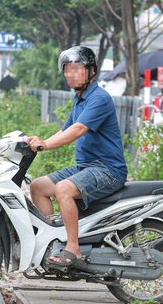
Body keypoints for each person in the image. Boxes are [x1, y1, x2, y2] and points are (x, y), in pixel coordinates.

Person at [26, 46, 128, 267]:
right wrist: (39, 142)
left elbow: (78, 130)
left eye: (76, 69)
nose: (70, 74)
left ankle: (73, 248)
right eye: (67, 70)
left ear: (91, 70)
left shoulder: (99, 98)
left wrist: (45, 146)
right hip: (87, 166)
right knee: (38, 187)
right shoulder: (80, 98)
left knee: (63, 188)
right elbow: (65, 129)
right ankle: (53, 240)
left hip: (108, 169)